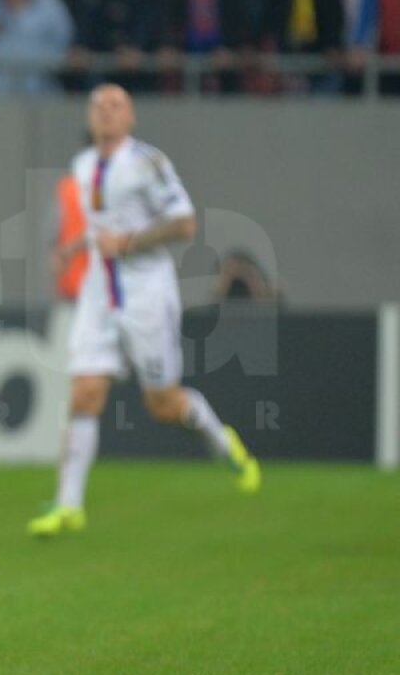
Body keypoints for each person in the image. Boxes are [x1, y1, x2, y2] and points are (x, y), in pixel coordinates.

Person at [28, 84, 261, 538]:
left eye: (116, 105)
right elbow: (104, 228)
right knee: (84, 392)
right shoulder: (83, 166)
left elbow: (185, 223)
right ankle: (69, 505)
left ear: (131, 117)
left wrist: (132, 243)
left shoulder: (148, 163)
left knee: (162, 403)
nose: (107, 112)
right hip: (99, 291)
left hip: (147, 295)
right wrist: (75, 246)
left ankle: (219, 438)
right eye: (98, 105)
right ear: (90, 117)